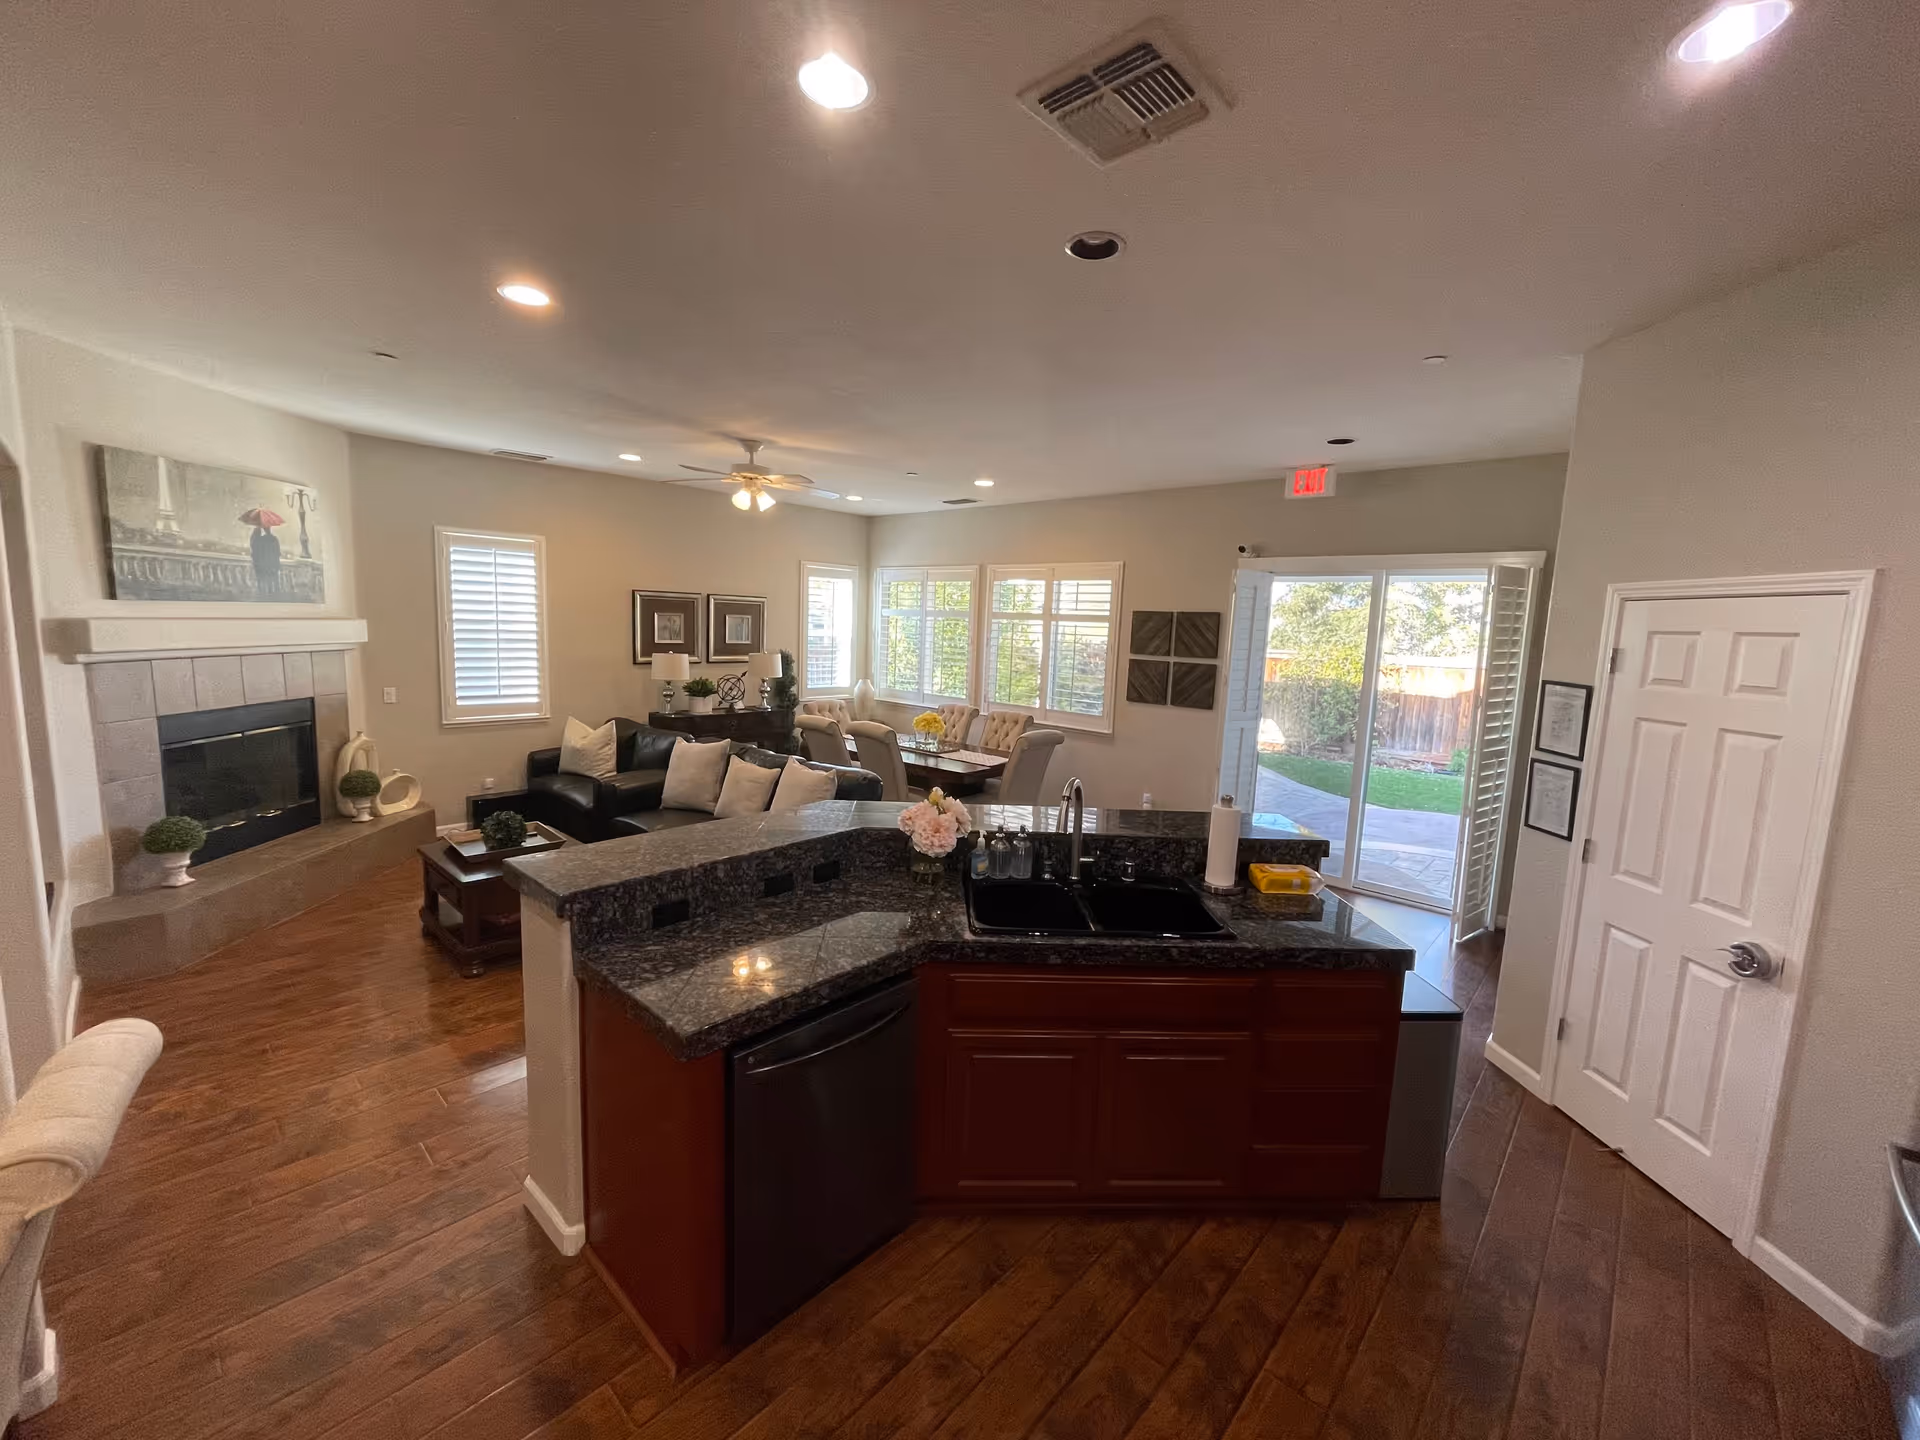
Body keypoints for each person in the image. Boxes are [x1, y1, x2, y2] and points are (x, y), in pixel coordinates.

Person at [249, 522, 281, 598]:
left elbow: (257, 549)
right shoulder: (274, 539)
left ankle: (264, 593)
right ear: (269, 529)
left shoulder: (261, 539)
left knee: (263, 579)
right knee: (274, 579)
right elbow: (278, 552)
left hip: (263, 563)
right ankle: (274, 593)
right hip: (273, 563)